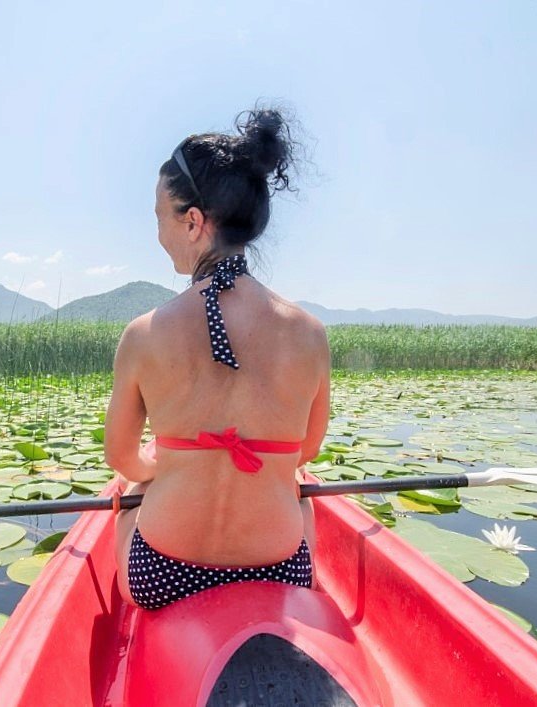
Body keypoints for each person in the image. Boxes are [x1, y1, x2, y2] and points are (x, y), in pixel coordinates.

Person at [104, 107, 330, 610]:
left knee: (128, 494)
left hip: (164, 574)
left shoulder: (143, 334)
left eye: (159, 217)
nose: (158, 234)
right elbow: (306, 450)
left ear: (192, 222)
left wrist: (158, 464)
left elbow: (122, 459)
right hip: (279, 571)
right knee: (299, 489)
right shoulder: (311, 334)